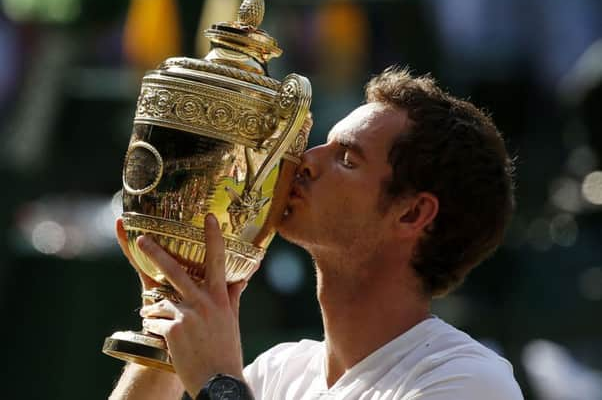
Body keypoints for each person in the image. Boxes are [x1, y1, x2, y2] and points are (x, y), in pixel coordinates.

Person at [109, 67, 523, 400]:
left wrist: (218, 384)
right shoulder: (278, 371)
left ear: (412, 213)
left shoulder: (468, 382)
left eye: (346, 158)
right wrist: (168, 334)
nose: (304, 162)